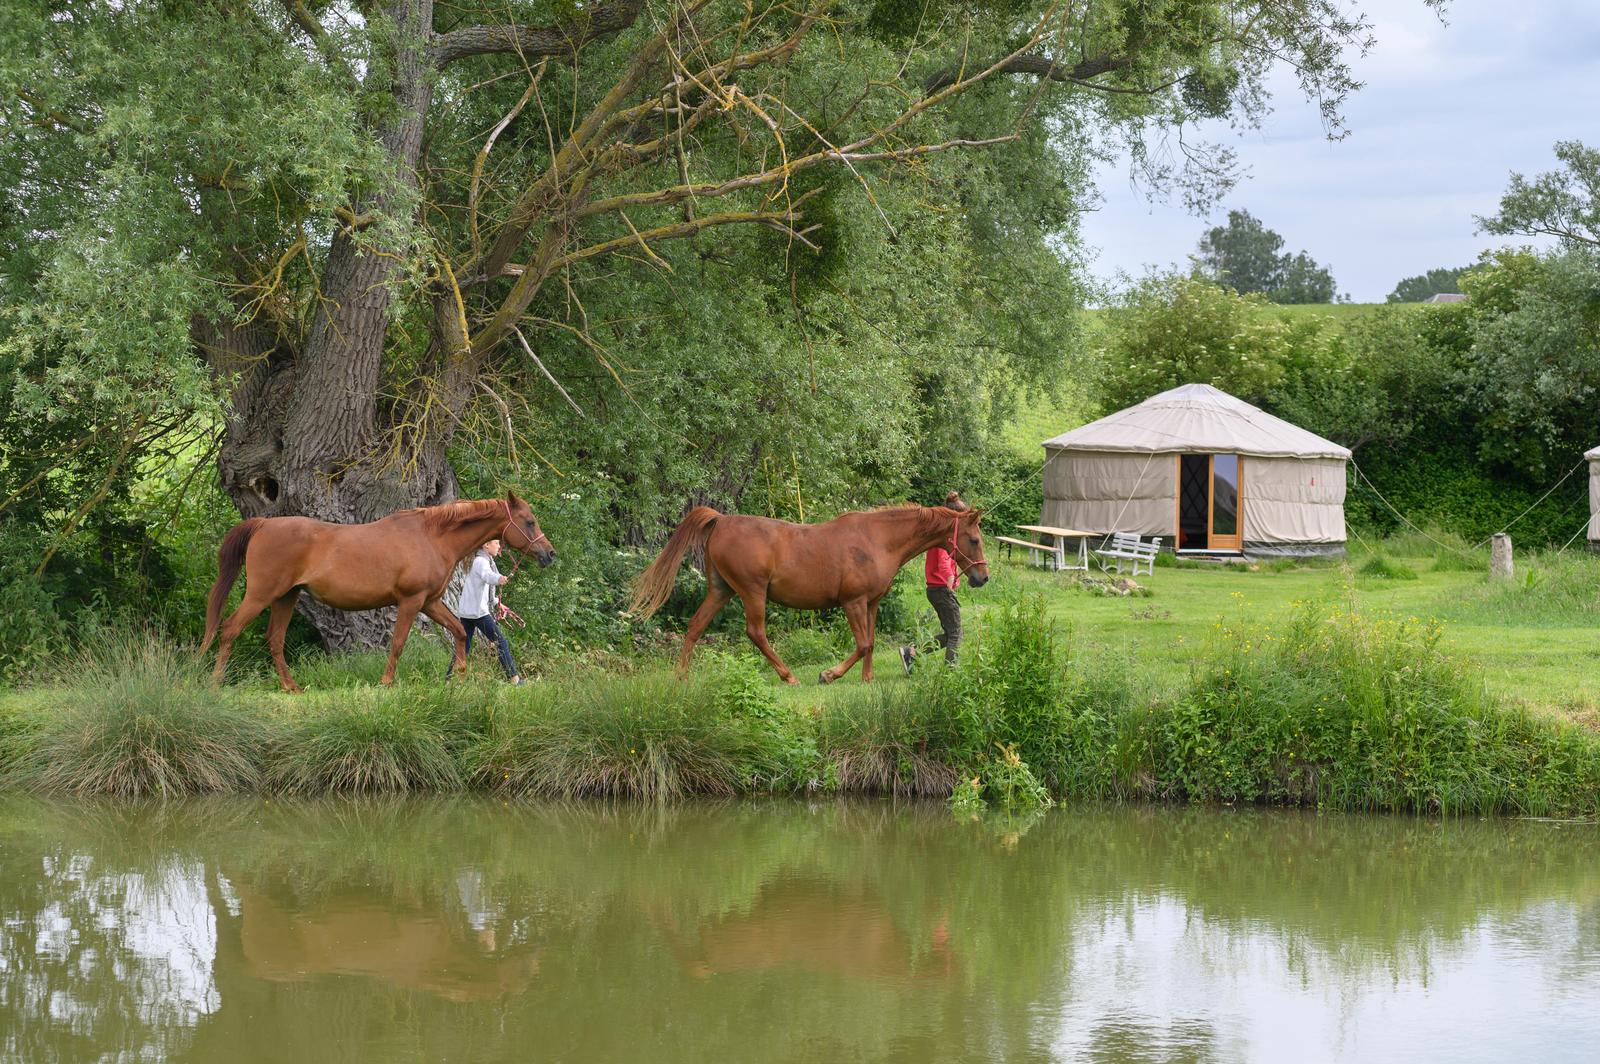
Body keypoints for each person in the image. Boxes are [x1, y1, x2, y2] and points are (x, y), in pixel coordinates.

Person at [901, 491, 967, 673]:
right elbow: (943, 561)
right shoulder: (943, 537)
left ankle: (911, 653)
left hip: (936, 589)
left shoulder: (946, 536)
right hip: (941, 589)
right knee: (956, 634)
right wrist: (950, 579)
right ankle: (951, 674)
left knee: (949, 634)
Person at [445, 539, 523, 684]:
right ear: (486, 545)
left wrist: (495, 602)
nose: (499, 546)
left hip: (467, 612)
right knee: (500, 642)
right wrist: (499, 578)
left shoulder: (480, 560)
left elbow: (481, 588)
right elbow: (488, 576)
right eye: (497, 543)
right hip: (477, 613)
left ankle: (449, 680)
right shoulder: (481, 561)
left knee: (464, 648)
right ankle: (514, 679)